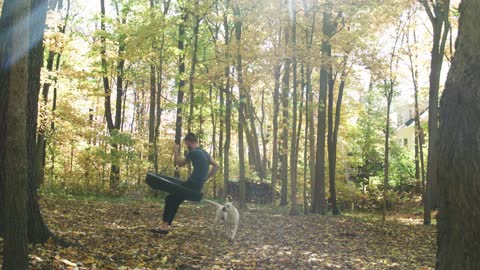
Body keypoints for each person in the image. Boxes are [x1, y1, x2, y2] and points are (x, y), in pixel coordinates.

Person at [150, 133, 218, 234]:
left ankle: (164, 227)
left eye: (187, 145)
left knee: (170, 198)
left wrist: (176, 150)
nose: (187, 147)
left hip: (192, 184)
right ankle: (165, 227)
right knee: (174, 199)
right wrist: (205, 178)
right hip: (198, 186)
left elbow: (179, 163)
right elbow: (216, 165)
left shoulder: (193, 152)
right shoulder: (205, 153)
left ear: (189, 142)